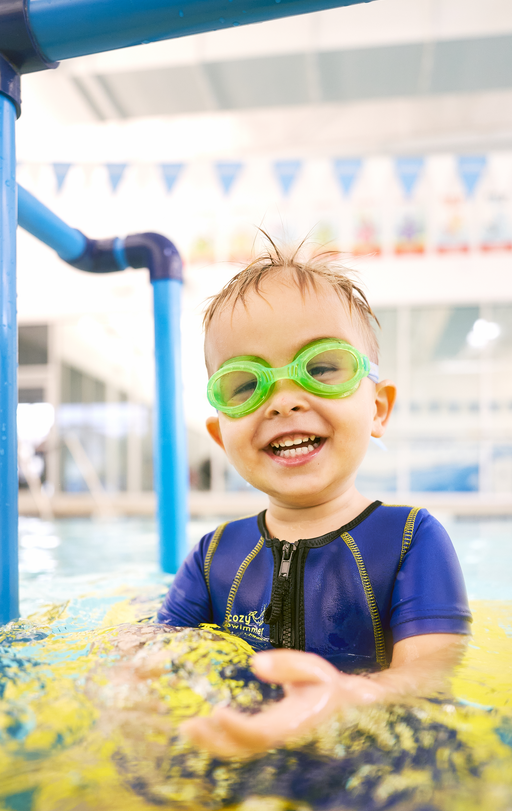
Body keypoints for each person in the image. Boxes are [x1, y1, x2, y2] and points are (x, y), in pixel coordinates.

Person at [158, 239, 471, 757]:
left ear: (378, 409)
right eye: (244, 386)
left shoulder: (411, 538)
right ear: (221, 436)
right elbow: (157, 655)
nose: (284, 401)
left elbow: (430, 669)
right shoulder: (214, 555)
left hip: (374, 755)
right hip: (243, 752)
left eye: (322, 368)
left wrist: (347, 697)